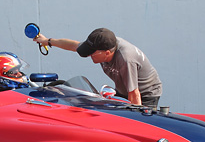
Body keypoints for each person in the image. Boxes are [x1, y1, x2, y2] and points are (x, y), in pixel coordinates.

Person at [34, 28, 162, 107]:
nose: (89, 55)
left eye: (92, 53)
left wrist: (137, 122)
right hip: (125, 90)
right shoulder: (101, 44)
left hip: (146, 93)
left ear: (107, 53)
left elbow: (134, 94)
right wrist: (47, 41)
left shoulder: (125, 59)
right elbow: (73, 45)